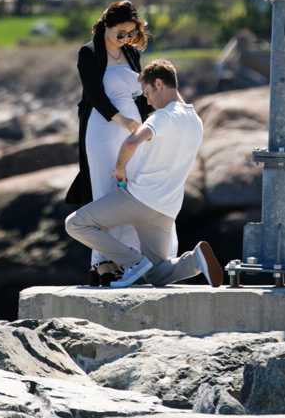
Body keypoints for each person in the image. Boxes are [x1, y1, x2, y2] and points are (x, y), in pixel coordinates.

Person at [64, 59, 223, 288]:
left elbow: (132, 141)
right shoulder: (195, 120)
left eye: (147, 92)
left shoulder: (163, 116)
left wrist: (119, 170)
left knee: (76, 224)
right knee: (157, 274)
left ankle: (133, 262)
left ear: (159, 84)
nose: (147, 100)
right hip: (166, 209)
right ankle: (195, 261)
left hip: (139, 199)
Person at [64, 0, 176, 282]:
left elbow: (141, 96)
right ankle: (103, 262)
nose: (125, 38)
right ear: (107, 26)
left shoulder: (130, 54)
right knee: (105, 191)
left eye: (130, 33)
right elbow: (94, 95)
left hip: (131, 132)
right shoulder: (88, 53)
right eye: (121, 33)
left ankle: (131, 258)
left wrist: (152, 126)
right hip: (102, 129)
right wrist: (123, 121)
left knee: (128, 189)